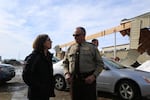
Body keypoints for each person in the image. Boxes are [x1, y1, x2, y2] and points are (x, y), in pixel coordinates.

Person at [63, 27, 104, 100]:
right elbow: (65, 63)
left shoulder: (92, 47)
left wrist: (94, 76)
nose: (75, 37)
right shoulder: (70, 48)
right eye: (74, 35)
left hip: (88, 81)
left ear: (83, 35)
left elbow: (100, 64)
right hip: (74, 82)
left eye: (77, 35)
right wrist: (66, 73)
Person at [23, 34, 55, 100]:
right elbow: (26, 76)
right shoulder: (34, 57)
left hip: (46, 93)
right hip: (36, 94)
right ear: (42, 42)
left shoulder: (48, 56)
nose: (51, 41)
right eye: (49, 40)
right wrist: (39, 87)